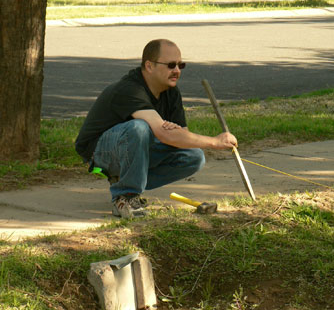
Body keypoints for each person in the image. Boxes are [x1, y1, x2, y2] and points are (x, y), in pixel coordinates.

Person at [75, 39, 237, 218]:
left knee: (193, 156)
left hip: (132, 151)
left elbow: (181, 137)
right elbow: (161, 133)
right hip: (98, 154)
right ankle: (126, 197)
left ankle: (125, 183)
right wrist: (215, 141)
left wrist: (175, 134)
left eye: (180, 65)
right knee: (140, 128)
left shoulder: (171, 91)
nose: (176, 70)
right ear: (149, 66)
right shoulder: (129, 89)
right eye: (170, 65)